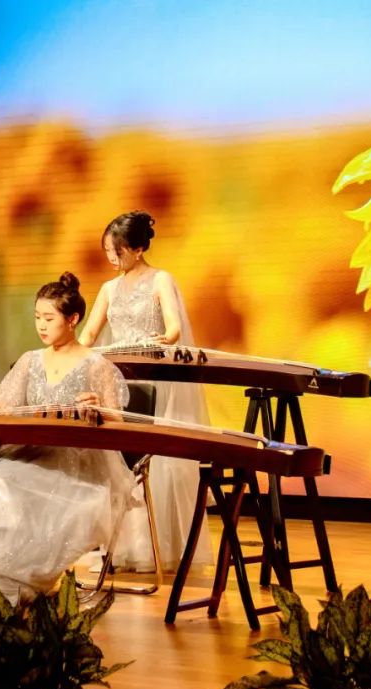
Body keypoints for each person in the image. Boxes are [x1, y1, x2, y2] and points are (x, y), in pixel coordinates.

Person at [0, 272, 137, 603]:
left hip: (76, 458)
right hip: (31, 450)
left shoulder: (96, 365)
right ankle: (1, 580)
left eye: (49, 318)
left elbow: (118, 419)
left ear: (73, 319)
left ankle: (24, 583)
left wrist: (98, 409)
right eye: (37, 317)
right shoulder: (30, 360)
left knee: (43, 494)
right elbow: (7, 408)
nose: (41, 325)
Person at [78, 210, 213, 571]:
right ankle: (120, 547)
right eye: (108, 251)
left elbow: (173, 327)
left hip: (153, 376)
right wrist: (73, 352)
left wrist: (162, 339)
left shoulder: (161, 280)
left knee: (157, 461)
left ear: (137, 249)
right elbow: (89, 333)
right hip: (118, 377)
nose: (111, 258)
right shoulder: (108, 289)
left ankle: (158, 547)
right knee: (116, 456)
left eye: (117, 251)